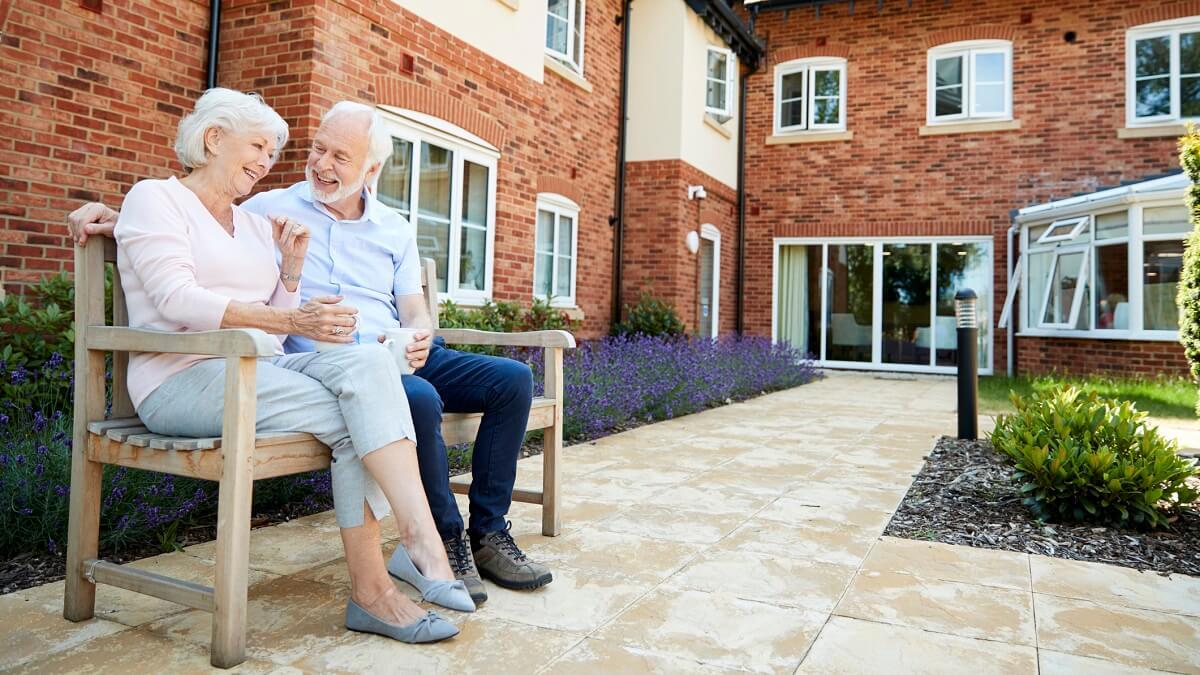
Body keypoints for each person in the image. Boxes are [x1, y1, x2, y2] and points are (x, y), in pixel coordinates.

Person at [69, 101, 553, 605]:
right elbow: (189, 225)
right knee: (412, 399)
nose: (321, 164)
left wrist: (418, 333)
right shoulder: (268, 206)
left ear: (371, 170)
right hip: (294, 362)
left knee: (511, 379)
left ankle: (485, 535)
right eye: (316, 149)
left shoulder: (381, 225)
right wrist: (120, 218)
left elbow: (409, 305)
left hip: (385, 352)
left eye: (340, 157)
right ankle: (439, 543)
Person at [105, 88, 468, 644]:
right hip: (180, 379)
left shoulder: (253, 223)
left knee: (370, 368)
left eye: (273, 154)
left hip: (258, 373)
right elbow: (177, 298)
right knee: (362, 412)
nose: (266, 163)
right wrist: (295, 321)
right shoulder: (156, 199)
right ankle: (393, 574)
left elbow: (274, 323)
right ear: (213, 139)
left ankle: (412, 549)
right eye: (258, 147)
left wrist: (291, 275)